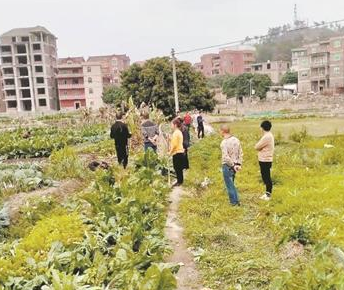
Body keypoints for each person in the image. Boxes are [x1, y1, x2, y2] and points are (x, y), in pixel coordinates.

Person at [220, 124, 243, 206]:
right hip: (235, 165)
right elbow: (241, 153)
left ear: (222, 131)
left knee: (229, 185)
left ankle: (234, 202)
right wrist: (238, 164)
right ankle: (235, 201)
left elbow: (226, 157)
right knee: (232, 182)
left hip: (227, 166)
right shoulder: (236, 140)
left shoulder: (224, 142)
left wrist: (232, 165)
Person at [255, 120, 275, 201]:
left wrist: (257, 147)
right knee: (265, 176)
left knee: (266, 177)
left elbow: (256, 147)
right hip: (265, 159)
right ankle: (267, 193)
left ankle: (268, 195)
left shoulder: (267, 136)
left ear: (262, 128)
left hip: (265, 159)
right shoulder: (268, 135)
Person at [169, 118, 185, 187]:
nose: (171, 126)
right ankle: (180, 180)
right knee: (179, 168)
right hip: (180, 151)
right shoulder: (179, 132)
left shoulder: (176, 133)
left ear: (175, 125)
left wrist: (170, 152)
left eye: (172, 124)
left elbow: (174, 145)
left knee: (177, 168)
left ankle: (179, 181)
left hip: (177, 152)